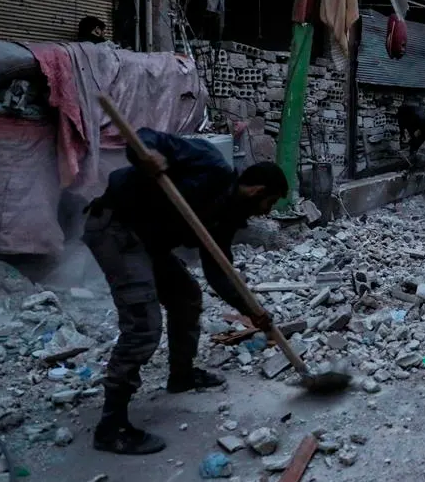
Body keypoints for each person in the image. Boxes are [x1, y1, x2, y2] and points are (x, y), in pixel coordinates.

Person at [83, 128, 286, 455]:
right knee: (144, 327)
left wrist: (252, 312)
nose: (267, 211)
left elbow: (218, 273)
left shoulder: (226, 217)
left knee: (186, 297)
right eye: (270, 202)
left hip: (149, 244)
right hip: (116, 228)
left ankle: (182, 375)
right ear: (259, 190)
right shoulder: (211, 165)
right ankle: (112, 427)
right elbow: (145, 136)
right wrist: (148, 156)